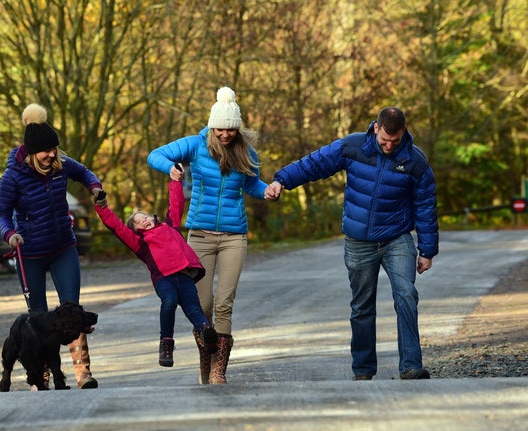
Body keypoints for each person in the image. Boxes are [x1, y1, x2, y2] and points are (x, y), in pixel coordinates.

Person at [265, 107, 439, 380]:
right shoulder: (353, 146)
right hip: (359, 241)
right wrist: (282, 180)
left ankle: (410, 365)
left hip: (397, 238)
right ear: (376, 128)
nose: (389, 146)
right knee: (362, 305)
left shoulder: (415, 161)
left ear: (403, 132)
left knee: (406, 295)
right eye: (385, 140)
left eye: (395, 141)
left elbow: (426, 207)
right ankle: (363, 370)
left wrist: (427, 250)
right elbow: (315, 163)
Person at [147, 86, 276, 384]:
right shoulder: (194, 145)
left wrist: (266, 191)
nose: (225, 135)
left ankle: (219, 370)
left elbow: (252, 185)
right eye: (219, 129)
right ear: (212, 125)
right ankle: (206, 355)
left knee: (224, 304)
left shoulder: (246, 151)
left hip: (234, 236)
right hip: (200, 236)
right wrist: (171, 168)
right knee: (201, 306)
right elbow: (155, 155)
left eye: (230, 129)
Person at [0, 102, 107, 389]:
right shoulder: (12, 177)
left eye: (54, 149)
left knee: (73, 310)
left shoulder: (61, 166)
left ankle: (83, 373)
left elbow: (86, 173)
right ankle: (41, 374)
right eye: (46, 151)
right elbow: (2, 213)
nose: (51, 155)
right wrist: (10, 234)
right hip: (29, 252)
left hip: (62, 247)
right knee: (38, 317)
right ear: (32, 153)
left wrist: (94, 187)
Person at [92, 165, 219, 368]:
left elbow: (176, 203)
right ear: (136, 229)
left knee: (195, 309)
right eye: (139, 222)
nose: (145, 220)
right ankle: (166, 344)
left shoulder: (170, 226)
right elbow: (116, 227)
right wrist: (102, 207)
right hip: (164, 278)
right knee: (169, 302)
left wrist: (176, 180)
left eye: (146, 217)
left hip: (185, 275)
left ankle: (207, 334)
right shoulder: (139, 243)